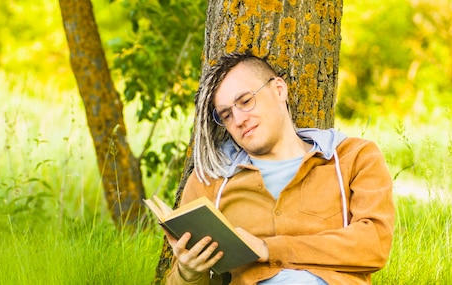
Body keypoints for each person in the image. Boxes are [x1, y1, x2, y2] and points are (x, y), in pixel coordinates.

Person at [164, 51, 395, 285]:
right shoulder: (211, 179)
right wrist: (188, 274)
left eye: (245, 101)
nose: (239, 119)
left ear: (279, 90)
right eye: (226, 114)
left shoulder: (354, 157)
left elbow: (374, 244)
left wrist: (269, 249)